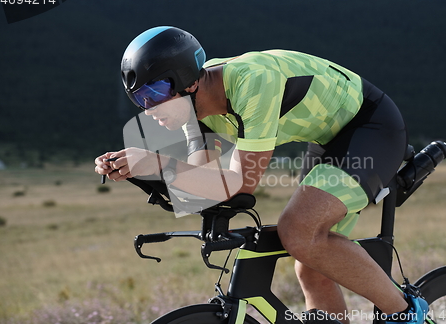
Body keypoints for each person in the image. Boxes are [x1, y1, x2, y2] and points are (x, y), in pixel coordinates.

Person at [94, 26, 428, 324]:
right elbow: (204, 181)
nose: (149, 110)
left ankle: (406, 313)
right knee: (311, 268)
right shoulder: (193, 110)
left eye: (155, 95)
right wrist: (140, 172)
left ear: (190, 82)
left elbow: (241, 182)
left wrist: (156, 164)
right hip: (326, 140)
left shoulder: (253, 83)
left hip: (370, 127)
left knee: (299, 233)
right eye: (140, 100)